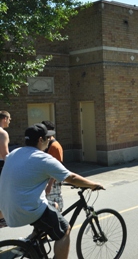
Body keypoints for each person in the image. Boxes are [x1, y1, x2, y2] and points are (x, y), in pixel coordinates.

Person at [0, 123, 103, 259]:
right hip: (27, 210)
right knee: (64, 230)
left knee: (53, 206)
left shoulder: (15, 153)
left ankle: (34, 241)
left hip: (7, 207)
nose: (50, 141)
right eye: (47, 138)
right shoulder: (42, 158)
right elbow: (71, 177)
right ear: (40, 140)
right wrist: (93, 184)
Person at [42, 120, 65, 212]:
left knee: (55, 208)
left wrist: (50, 185)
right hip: (46, 180)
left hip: (53, 182)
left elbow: (57, 168)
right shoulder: (45, 144)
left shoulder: (55, 146)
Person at [0, 110, 11, 228]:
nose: (9, 121)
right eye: (9, 119)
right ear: (4, 119)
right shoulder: (2, 133)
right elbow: (5, 155)